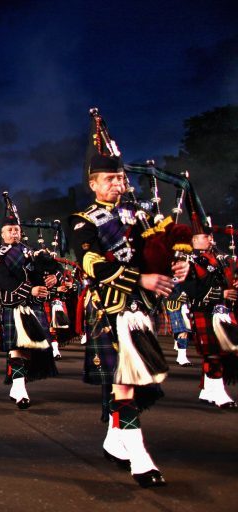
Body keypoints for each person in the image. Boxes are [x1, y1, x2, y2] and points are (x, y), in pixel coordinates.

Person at [70, 152, 189, 488]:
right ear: (93, 183)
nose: (117, 184)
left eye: (120, 178)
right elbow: (92, 264)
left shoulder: (141, 214)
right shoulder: (82, 220)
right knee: (124, 382)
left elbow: (157, 249)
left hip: (140, 308)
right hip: (109, 308)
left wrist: (176, 265)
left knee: (129, 381)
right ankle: (140, 459)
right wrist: (141, 279)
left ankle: (113, 439)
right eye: (109, 179)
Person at [0, 205, 57, 409]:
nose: (14, 232)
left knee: (28, 349)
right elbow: (4, 280)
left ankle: (17, 386)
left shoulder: (32, 252)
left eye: (16, 229)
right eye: (9, 230)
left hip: (32, 305)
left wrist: (53, 277)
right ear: (2, 233)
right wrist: (30, 290)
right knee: (17, 348)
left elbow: (51, 268)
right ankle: (20, 390)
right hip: (13, 303)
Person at [180, 228, 238, 408]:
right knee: (213, 352)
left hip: (225, 311)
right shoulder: (186, 261)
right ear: (194, 240)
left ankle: (208, 391)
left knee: (226, 349)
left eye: (210, 235)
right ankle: (218, 393)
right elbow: (191, 290)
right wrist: (222, 293)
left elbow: (231, 275)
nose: (210, 238)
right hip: (203, 310)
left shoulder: (222, 258)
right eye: (205, 236)